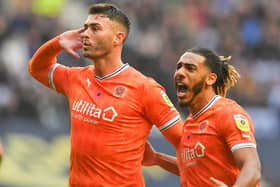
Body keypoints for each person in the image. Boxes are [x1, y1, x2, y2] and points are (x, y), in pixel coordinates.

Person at [28, 3, 183, 187]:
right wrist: (58, 42)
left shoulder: (145, 88)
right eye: (85, 28)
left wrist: (158, 159)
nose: (85, 34)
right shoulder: (76, 78)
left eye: (95, 29)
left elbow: (189, 146)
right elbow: (37, 68)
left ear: (118, 38)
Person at [142, 48, 261, 187]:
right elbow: (195, 170)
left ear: (210, 79)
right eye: (178, 67)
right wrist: (157, 159)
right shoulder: (189, 123)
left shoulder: (228, 113)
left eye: (190, 69)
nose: (180, 73)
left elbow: (252, 168)